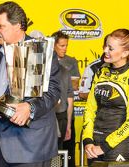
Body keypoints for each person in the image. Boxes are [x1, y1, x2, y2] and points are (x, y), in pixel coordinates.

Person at [0, 1, 61, 167]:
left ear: (18, 25)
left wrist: (30, 108)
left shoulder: (38, 51)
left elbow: (54, 92)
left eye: (0, 26)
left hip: (31, 147)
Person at [83, 28, 129, 164]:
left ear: (125, 53)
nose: (105, 51)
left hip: (116, 148)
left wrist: (104, 147)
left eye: (111, 48)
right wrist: (88, 141)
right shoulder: (100, 72)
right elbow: (90, 109)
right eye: (106, 46)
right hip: (93, 147)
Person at [52, 30, 80, 167]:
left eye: (66, 45)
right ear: (53, 45)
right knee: (52, 152)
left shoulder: (69, 63)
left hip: (64, 115)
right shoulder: (44, 63)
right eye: (62, 45)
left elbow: (73, 88)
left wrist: (68, 124)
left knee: (63, 151)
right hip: (49, 115)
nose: (65, 48)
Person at [51, 64, 74, 149]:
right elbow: (70, 101)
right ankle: (55, 162)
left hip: (54, 117)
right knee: (57, 150)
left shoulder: (64, 71)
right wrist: (68, 126)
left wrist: (68, 125)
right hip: (59, 117)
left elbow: (70, 100)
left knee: (50, 151)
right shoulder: (64, 70)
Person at [79, 35, 108, 100]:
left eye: (112, 48)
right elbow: (82, 94)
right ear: (104, 48)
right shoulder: (93, 67)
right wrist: (105, 97)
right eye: (108, 47)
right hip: (100, 109)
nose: (108, 50)